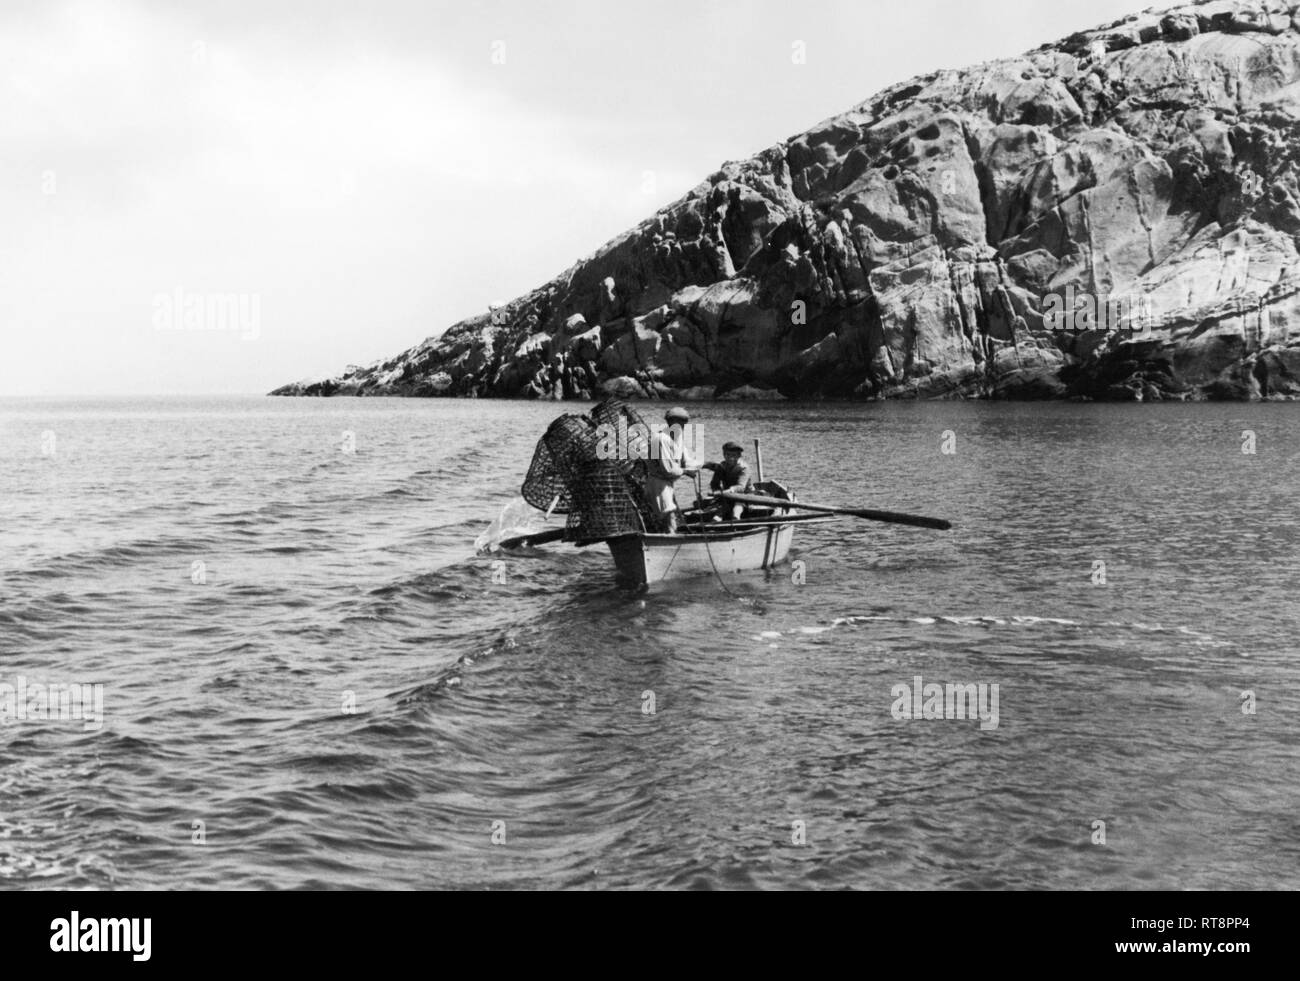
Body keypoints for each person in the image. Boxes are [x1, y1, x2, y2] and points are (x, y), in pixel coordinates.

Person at [644, 407, 700, 534]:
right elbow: (667, 469)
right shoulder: (660, 439)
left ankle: (671, 536)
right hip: (657, 483)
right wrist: (685, 472)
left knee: (669, 513)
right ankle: (671, 540)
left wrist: (703, 465)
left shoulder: (677, 438)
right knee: (667, 514)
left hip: (667, 483)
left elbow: (686, 460)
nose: (682, 427)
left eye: (684, 424)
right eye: (679, 423)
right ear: (670, 422)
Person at [701, 441, 752, 521]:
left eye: (733, 455)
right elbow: (714, 483)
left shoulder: (744, 468)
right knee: (717, 512)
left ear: (739, 456)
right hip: (726, 496)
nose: (730, 458)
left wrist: (729, 491)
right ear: (724, 455)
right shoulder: (722, 467)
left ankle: (736, 520)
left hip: (744, 496)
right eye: (727, 455)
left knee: (737, 508)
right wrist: (717, 492)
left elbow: (741, 487)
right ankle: (718, 520)